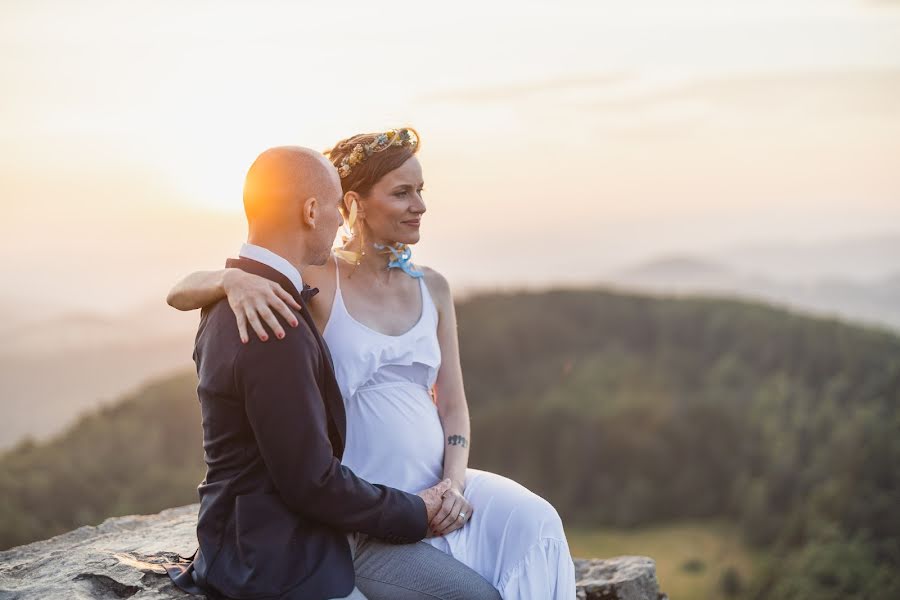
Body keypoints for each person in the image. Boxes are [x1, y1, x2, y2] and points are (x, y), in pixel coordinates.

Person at [167, 129, 577, 599]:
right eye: (403, 192)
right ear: (353, 205)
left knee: (537, 521)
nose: (419, 205)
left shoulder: (433, 287)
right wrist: (231, 278)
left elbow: (453, 404)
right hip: (363, 493)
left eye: (421, 191)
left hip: (437, 480)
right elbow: (186, 289)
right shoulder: (312, 278)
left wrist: (452, 485)